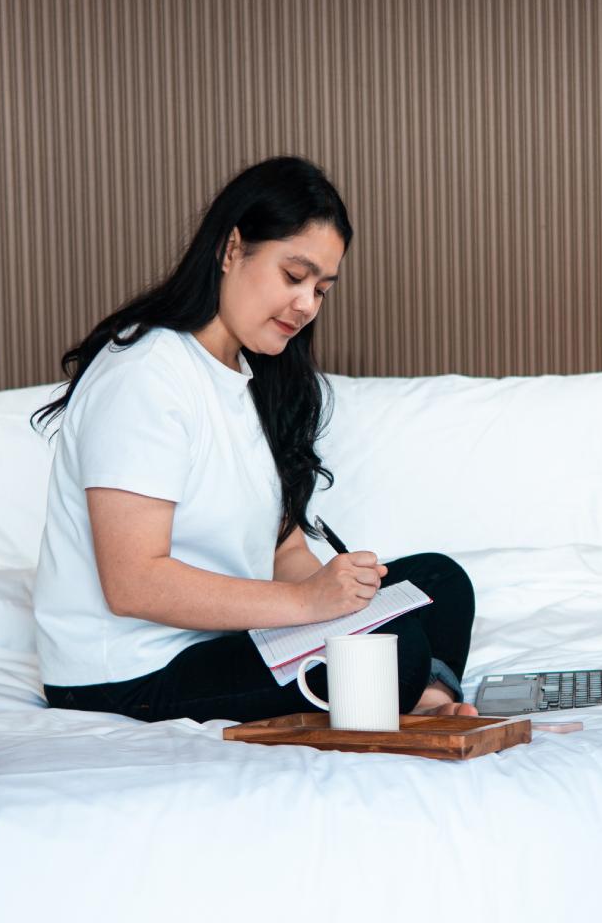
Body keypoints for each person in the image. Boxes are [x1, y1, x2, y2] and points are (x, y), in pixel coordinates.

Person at [32, 156, 476, 724]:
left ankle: (424, 699)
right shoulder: (144, 373)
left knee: (439, 582)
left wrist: (333, 595)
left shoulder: (256, 377)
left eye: (322, 289)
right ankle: (418, 693)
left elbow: (283, 548)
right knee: (399, 649)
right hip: (125, 675)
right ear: (232, 248)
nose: (307, 305)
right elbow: (133, 583)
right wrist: (307, 605)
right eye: (294, 276)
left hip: (223, 644)